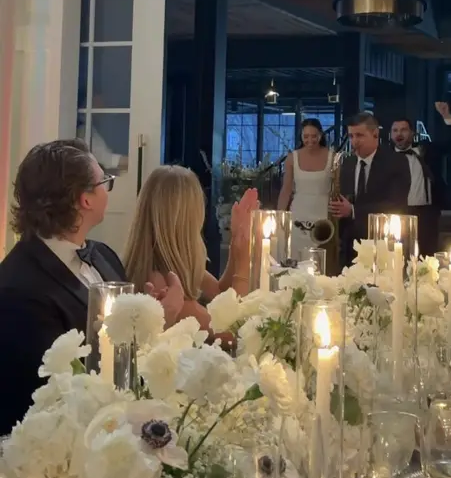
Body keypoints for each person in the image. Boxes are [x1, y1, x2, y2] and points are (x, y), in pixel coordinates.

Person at [0, 139, 185, 435]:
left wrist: (144, 315)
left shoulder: (103, 255)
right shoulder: (19, 289)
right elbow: (60, 390)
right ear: (85, 199)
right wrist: (161, 322)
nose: (107, 190)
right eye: (104, 182)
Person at [124, 165, 257, 339]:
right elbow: (233, 332)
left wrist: (236, 240)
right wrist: (244, 263)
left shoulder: (172, 263)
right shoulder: (161, 284)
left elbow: (220, 293)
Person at [330, 112, 411, 269]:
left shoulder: (396, 161)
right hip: (349, 245)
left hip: (381, 243)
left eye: (359, 135)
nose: (354, 141)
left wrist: (353, 210)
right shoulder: (347, 163)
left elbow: (396, 204)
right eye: (351, 136)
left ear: (375, 134)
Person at [390, 102, 451, 256]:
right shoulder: (385, 157)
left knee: (427, 256)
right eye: (395, 130)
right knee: (397, 256)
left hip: (426, 213)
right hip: (397, 214)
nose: (399, 134)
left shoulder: (426, 150)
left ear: (412, 133)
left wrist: (447, 116)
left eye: (403, 130)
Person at [277, 118, 333, 259]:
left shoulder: (332, 157)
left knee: (319, 261)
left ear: (321, 135)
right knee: (295, 258)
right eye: (306, 136)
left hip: (323, 215)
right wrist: (279, 217)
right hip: (298, 214)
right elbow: (286, 190)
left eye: (314, 136)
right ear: (301, 136)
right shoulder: (292, 158)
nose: (310, 140)